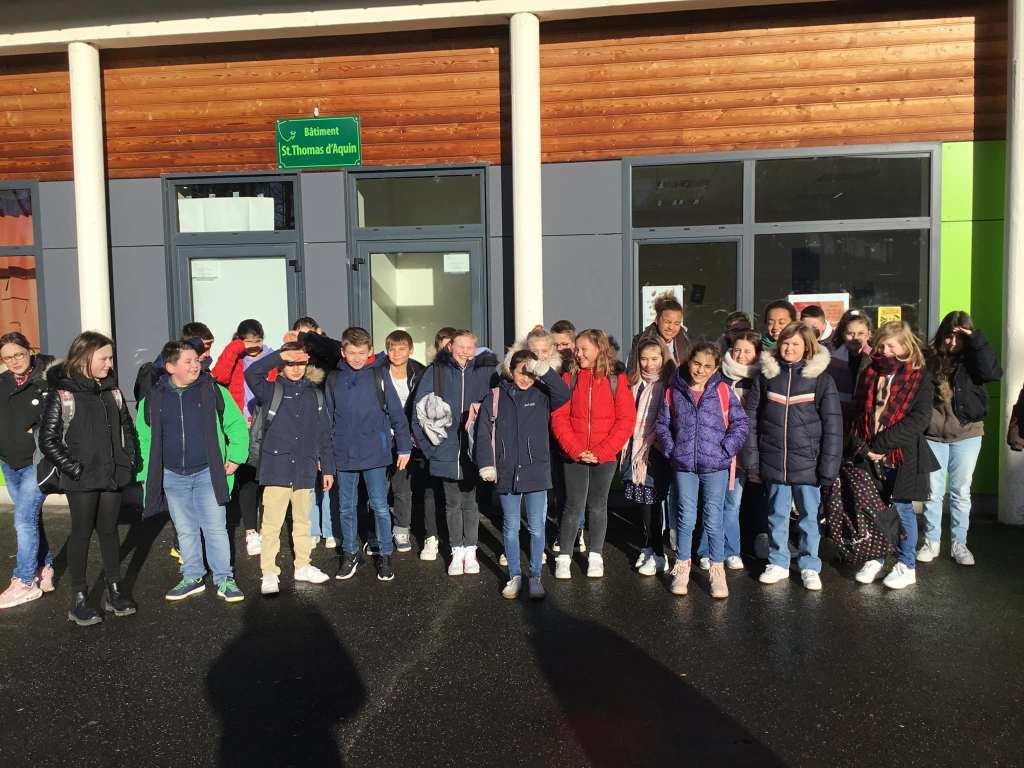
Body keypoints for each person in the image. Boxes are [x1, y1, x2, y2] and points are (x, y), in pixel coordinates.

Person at [137, 341, 249, 604]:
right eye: (188, 361)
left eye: (196, 360)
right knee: (185, 529)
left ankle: (224, 579)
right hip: (172, 475)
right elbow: (143, 439)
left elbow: (235, 425)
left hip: (209, 472)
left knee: (215, 528)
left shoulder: (213, 391)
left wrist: (236, 457)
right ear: (170, 367)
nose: (195, 365)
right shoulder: (152, 398)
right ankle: (192, 576)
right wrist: (144, 475)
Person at [39, 332, 139, 626]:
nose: (110, 364)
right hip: (81, 478)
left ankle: (115, 590)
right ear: (85, 357)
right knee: (81, 534)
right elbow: (48, 439)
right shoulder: (63, 393)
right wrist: (74, 469)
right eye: (104, 358)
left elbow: (127, 428)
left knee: (109, 532)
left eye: (110, 358)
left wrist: (129, 459)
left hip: (113, 474)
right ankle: (79, 598)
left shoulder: (112, 391)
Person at [746, 322, 842, 591]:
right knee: (776, 514)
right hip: (774, 459)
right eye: (785, 343)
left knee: (809, 517)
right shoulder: (767, 376)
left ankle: (810, 565)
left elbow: (833, 427)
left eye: (795, 344)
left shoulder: (821, 379)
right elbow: (751, 420)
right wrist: (752, 461)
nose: (789, 349)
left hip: (808, 463)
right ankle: (778, 562)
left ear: (807, 347)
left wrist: (828, 468)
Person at [848, 322, 939, 589]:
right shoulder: (870, 371)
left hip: (902, 454)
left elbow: (919, 418)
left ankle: (906, 565)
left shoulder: (920, 376)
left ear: (905, 346)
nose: (885, 351)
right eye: (881, 345)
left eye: (891, 346)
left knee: (901, 508)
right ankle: (876, 557)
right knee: (874, 508)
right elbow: (858, 411)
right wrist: (864, 446)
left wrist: (881, 444)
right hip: (869, 453)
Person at [475, 348, 570, 599]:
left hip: (536, 470)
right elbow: (483, 433)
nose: (526, 378)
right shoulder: (495, 396)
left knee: (537, 528)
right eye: (521, 372)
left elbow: (564, 393)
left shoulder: (542, 394)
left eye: (530, 373)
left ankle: (535, 577)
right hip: (505, 471)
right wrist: (487, 463)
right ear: (511, 371)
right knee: (510, 527)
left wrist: (544, 371)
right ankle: (514, 576)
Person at [656, 342, 748, 599]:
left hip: (715, 466)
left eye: (708, 366)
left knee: (713, 518)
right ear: (688, 362)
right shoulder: (674, 391)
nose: (700, 370)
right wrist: (672, 449)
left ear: (716, 368)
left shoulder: (722, 390)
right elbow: (662, 424)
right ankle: (682, 567)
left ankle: (717, 571)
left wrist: (726, 449)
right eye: (696, 363)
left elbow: (740, 423)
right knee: (685, 517)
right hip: (684, 465)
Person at [245, 342, 335, 595]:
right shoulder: (271, 390)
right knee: (271, 524)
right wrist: (279, 355)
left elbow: (324, 434)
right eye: (290, 363)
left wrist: (328, 468)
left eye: (300, 363)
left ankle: (303, 565)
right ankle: (269, 572)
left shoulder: (315, 394)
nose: (296, 368)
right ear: (281, 365)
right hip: (276, 467)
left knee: (303, 521)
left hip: (305, 467)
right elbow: (251, 373)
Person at [551, 329, 636, 580]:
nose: (578, 354)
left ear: (599, 349)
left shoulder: (616, 379)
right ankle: (564, 557)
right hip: (574, 454)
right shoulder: (569, 377)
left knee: (598, 506)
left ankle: (596, 556)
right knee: (572, 506)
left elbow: (625, 419)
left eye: (583, 349)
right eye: (576, 349)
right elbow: (559, 417)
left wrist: (602, 451)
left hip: (604, 455)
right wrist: (576, 449)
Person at [919, 311, 1002, 566]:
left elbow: (993, 373)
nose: (953, 343)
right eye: (948, 336)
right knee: (932, 492)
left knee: (960, 491)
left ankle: (959, 543)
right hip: (933, 435)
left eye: (959, 338)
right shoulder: (928, 358)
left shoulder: (974, 359)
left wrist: (975, 339)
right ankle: (931, 541)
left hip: (967, 433)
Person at [329, 327, 412, 582]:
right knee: (346, 507)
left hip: (375, 452)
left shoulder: (379, 374)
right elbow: (327, 420)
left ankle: (385, 554)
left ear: (370, 352)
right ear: (342, 352)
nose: (356, 358)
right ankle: (350, 553)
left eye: (361, 353)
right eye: (351, 353)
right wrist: (325, 456)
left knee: (379, 506)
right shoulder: (333, 379)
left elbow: (397, 413)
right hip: (343, 453)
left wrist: (404, 446)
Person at [412, 329, 497, 576]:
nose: (465, 352)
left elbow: (497, 409)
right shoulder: (436, 371)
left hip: (473, 450)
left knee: (471, 503)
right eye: (461, 347)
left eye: (470, 347)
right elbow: (418, 413)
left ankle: (471, 551)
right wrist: (431, 450)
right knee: (452, 503)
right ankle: (456, 551)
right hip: (445, 450)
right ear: (450, 347)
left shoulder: (485, 373)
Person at [699, 329, 762, 571]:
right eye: (737, 350)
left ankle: (731, 550)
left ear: (757, 354)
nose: (741, 355)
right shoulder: (718, 377)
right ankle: (707, 550)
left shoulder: (759, 380)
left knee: (733, 504)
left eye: (747, 351)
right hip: (715, 450)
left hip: (742, 454)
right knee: (712, 502)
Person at [0, 332, 54, 609]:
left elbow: (61, 417)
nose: (14, 361)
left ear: (29, 351)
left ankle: (23, 581)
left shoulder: (47, 380)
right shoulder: (2, 383)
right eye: (7, 358)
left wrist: (39, 430)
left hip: (37, 461)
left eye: (18, 354)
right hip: (9, 462)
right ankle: (45, 567)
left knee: (23, 518)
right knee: (31, 517)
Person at [212, 318, 275, 557]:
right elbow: (219, 376)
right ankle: (251, 531)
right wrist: (236, 348)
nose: (253, 346)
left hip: (267, 425)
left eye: (257, 341)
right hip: (242, 426)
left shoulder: (272, 357)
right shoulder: (236, 358)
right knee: (247, 479)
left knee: (269, 479)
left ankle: (269, 527)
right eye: (248, 342)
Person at [621, 338, 674, 577]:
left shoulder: (667, 384)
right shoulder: (633, 383)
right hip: (634, 448)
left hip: (655, 450)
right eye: (644, 359)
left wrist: (654, 441)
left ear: (663, 358)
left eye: (654, 358)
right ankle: (647, 547)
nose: (649, 364)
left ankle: (659, 554)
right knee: (641, 503)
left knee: (653, 503)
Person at [376, 329, 432, 556]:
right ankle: (376, 531)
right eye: (392, 349)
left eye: (402, 349)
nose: (397, 353)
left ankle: (401, 529)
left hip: (407, 438)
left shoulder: (419, 372)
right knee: (378, 487)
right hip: (380, 436)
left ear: (411, 350)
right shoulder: (377, 372)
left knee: (402, 486)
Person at [828, 310, 873, 430]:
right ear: (843, 334)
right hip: (839, 419)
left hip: (866, 420)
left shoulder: (876, 359)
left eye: (861, 333)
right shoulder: (832, 362)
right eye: (850, 333)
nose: (855, 338)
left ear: (868, 334)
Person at [628, 294, 691, 367]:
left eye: (676, 323)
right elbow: (632, 369)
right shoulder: (640, 341)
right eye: (667, 322)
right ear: (657, 320)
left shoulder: (687, 341)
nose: (671, 327)